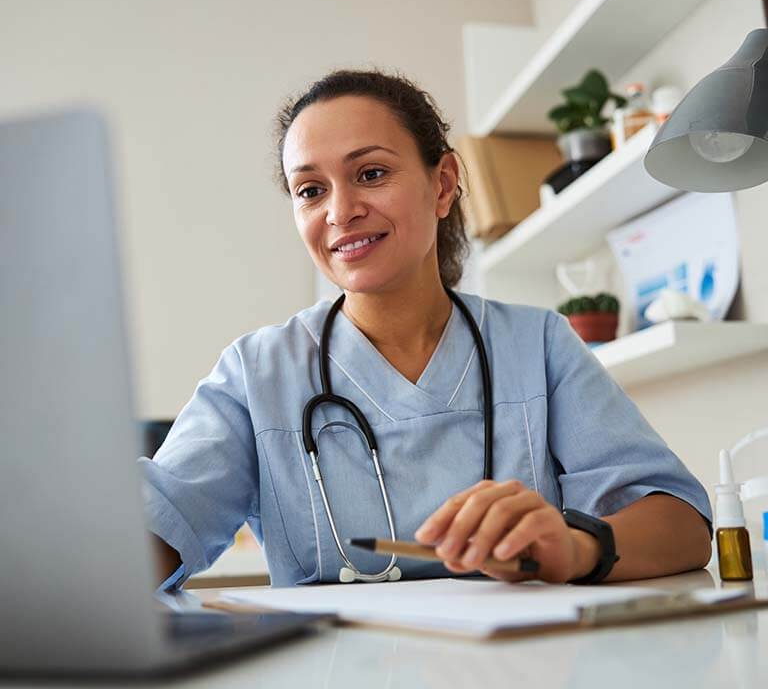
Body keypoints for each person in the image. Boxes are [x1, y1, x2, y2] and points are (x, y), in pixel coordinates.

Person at [142, 69, 712, 589]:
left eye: (371, 173)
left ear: (442, 185)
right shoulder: (256, 373)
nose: (340, 211)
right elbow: (153, 533)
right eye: (310, 190)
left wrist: (575, 547)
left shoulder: (537, 345)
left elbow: (682, 526)